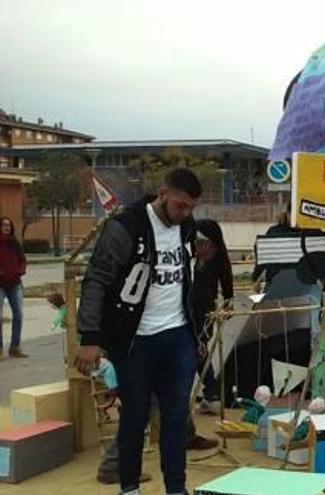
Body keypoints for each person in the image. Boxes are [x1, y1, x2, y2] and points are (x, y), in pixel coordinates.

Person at [75, 168, 203, 495]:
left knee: (176, 419)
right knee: (135, 419)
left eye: (191, 207)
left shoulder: (186, 228)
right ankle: (129, 488)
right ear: (162, 194)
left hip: (177, 338)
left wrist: (195, 335)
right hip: (135, 342)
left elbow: (187, 284)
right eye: (180, 205)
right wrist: (90, 338)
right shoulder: (126, 227)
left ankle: (176, 488)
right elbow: (96, 281)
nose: (185, 213)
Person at [192, 219, 234, 415]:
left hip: (205, 312)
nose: (199, 246)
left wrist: (228, 303)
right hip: (185, 310)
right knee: (194, 353)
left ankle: (212, 393)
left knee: (198, 352)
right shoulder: (190, 255)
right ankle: (211, 393)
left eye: (203, 242)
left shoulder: (218, 258)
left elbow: (227, 281)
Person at [251, 207, 296, 292]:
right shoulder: (299, 233)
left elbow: (262, 256)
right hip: (297, 283)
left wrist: (255, 278)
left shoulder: (272, 232)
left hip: (273, 281)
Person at [0, 216, 27, 359]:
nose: (7, 227)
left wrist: (20, 270)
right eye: (4, 225)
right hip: (0, 284)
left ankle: (14, 347)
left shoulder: (15, 244)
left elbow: (23, 260)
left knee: (18, 315)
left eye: (9, 225)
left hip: (15, 284)